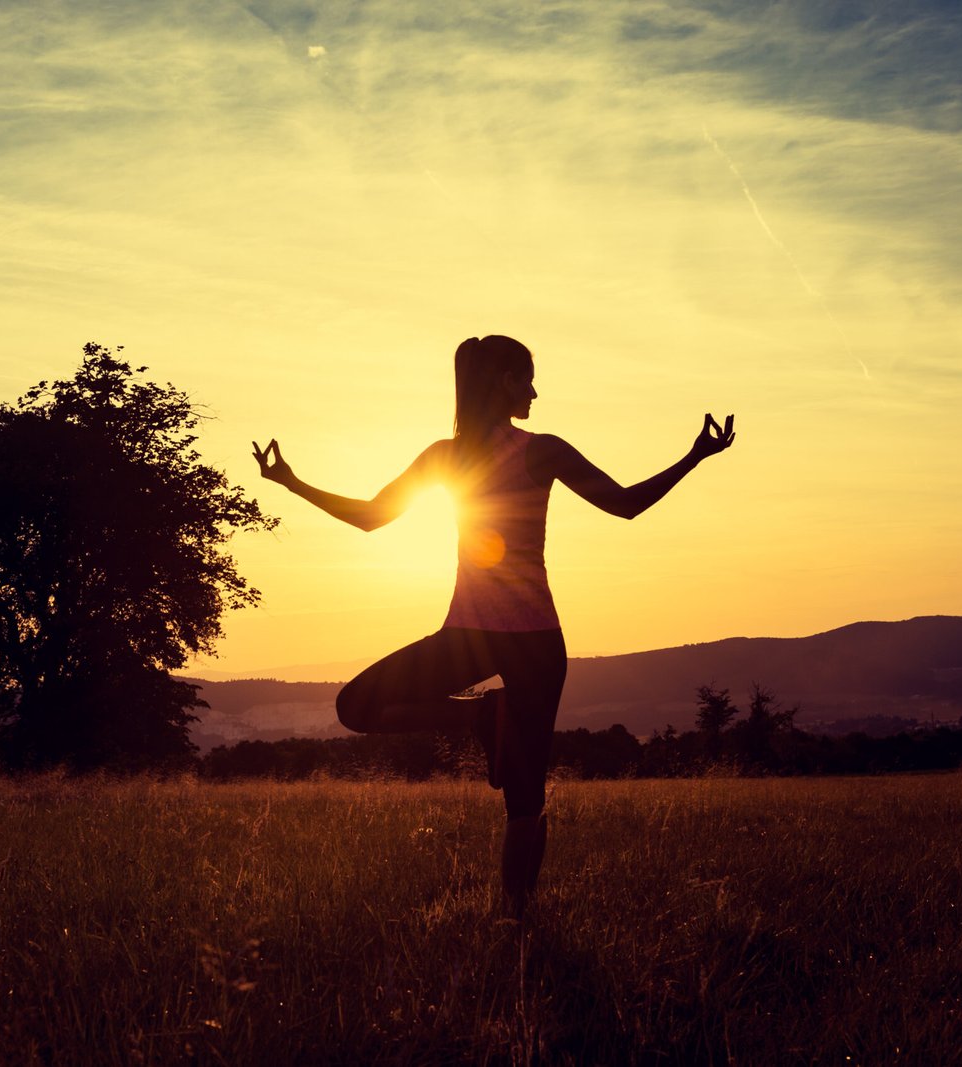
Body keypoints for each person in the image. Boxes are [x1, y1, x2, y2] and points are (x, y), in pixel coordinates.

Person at [253, 335, 735, 916]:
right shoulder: (527, 451)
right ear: (501, 382)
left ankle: (516, 919)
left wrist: (292, 483)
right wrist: (695, 456)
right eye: (525, 378)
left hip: (487, 638)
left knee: (519, 792)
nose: (534, 390)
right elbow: (627, 503)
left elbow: (370, 519)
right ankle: (482, 716)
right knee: (361, 708)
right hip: (522, 640)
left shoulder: (455, 456)